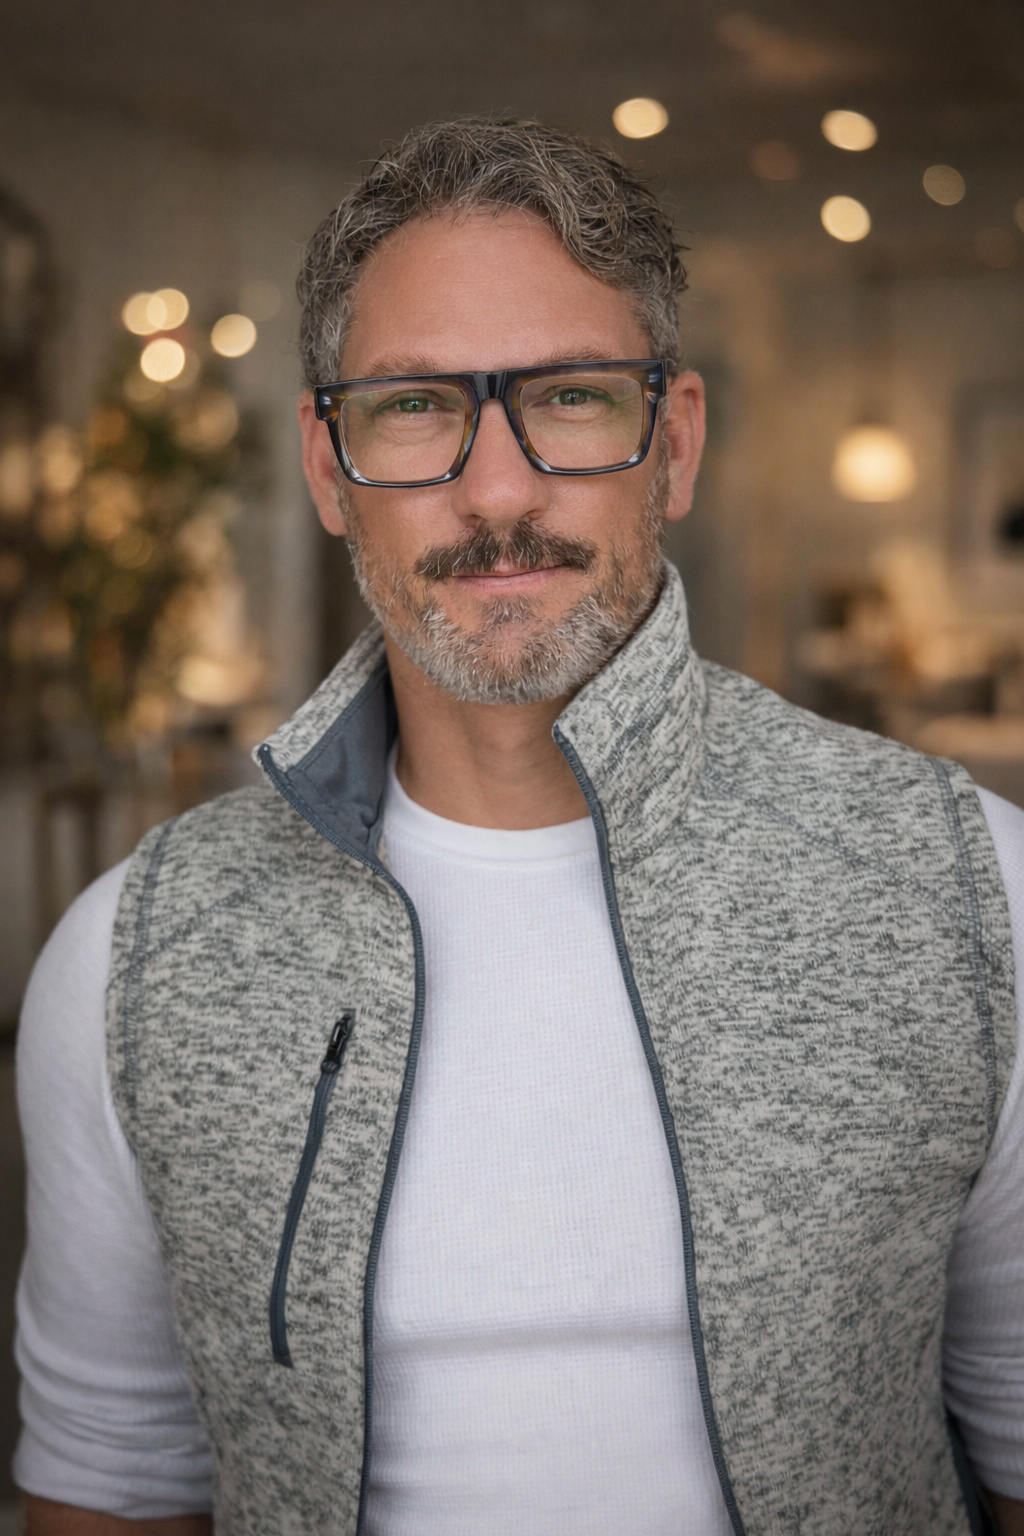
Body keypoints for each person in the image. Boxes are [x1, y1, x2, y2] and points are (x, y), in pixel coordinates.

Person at [12, 118, 1024, 1536]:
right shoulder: (133, 957)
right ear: (326, 469)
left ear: (671, 445)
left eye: (569, 396)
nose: (498, 491)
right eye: (415, 405)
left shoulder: (967, 890)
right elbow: (108, 1485)